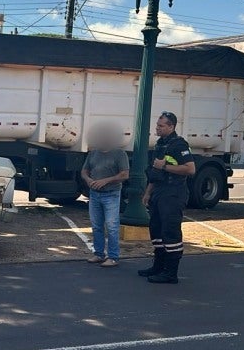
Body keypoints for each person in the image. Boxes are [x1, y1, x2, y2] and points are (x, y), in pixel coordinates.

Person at [138, 111, 196, 284]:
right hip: (159, 192)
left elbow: (190, 169)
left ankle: (170, 273)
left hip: (173, 193)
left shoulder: (180, 145)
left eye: (161, 126)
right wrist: (148, 193)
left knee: (170, 231)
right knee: (156, 230)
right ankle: (158, 266)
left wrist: (166, 167)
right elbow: (155, 171)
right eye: (157, 125)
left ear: (171, 126)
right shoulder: (161, 144)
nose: (157, 128)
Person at [81, 123, 129, 267]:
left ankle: (113, 256)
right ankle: (99, 254)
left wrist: (105, 181)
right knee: (96, 225)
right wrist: (89, 180)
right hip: (94, 194)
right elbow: (84, 171)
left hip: (111, 194)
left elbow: (125, 174)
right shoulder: (93, 153)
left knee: (112, 226)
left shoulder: (119, 154)